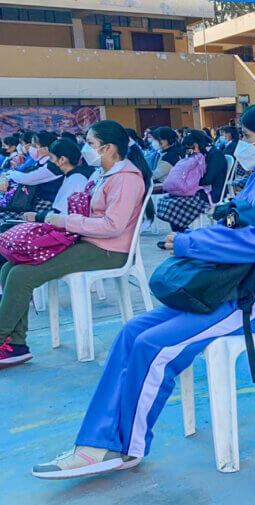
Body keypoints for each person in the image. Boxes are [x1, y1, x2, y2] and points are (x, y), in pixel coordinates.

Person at [30, 101, 255, 479]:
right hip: (226, 290)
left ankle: (122, 449)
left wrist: (190, 243)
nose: (242, 145)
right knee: (131, 332)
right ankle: (95, 441)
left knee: (155, 347)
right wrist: (205, 233)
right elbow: (235, 225)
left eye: (247, 137)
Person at [0, 120, 151, 370]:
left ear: (109, 148)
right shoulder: (104, 173)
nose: (85, 149)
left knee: (22, 275)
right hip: (88, 242)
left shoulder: (126, 179)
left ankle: (7, 341)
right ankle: (15, 345)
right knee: (10, 268)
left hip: (108, 251)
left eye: (90, 144)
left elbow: (113, 226)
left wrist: (66, 220)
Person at [155, 130, 228, 233]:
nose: (189, 150)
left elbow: (208, 179)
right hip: (199, 190)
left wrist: (188, 184)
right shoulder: (200, 155)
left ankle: (181, 234)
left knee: (174, 204)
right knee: (167, 199)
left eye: (191, 146)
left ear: (198, 143)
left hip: (211, 193)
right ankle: (181, 233)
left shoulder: (215, 155)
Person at [21, 138, 94, 224]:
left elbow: (63, 214)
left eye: (51, 157)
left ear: (62, 160)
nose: (50, 161)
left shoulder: (76, 179)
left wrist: (37, 216)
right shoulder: (71, 176)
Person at [0, 131, 65, 221]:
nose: (30, 148)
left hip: (43, 206)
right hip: (32, 202)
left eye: (34, 146)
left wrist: (10, 174)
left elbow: (26, 179)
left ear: (45, 149)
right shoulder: (41, 162)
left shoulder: (52, 167)